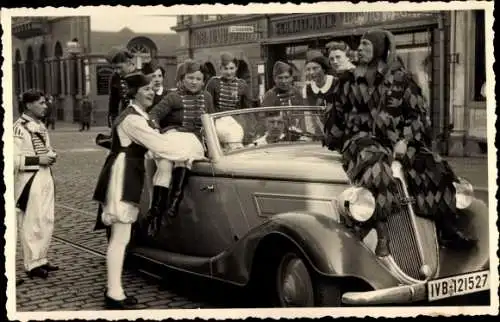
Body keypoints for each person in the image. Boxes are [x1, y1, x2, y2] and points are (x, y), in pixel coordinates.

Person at [323, 29, 476, 255]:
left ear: (381, 49)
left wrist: (404, 140)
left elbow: (418, 116)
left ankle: (445, 226)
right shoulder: (347, 81)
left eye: (366, 45)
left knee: (433, 165)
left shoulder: (402, 80)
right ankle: (382, 233)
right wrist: (340, 141)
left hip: (396, 140)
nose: (360, 49)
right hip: (361, 139)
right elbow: (334, 116)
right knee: (377, 169)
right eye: (361, 45)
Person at [92, 72, 193, 310]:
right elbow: (161, 146)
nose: (152, 93)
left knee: (121, 236)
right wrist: (191, 149)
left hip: (126, 172)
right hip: (123, 176)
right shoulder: (133, 120)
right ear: (135, 92)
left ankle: (114, 290)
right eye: (147, 89)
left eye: (152, 89)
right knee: (120, 237)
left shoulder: (137, 116)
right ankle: (114, 293)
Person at [147, 60, 214, 227]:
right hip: (174, 135)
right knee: (164, 165)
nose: (194, 82)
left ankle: (174, 202)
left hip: (194, 139)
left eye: (198, 79)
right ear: (182, 78)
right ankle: (156, 212)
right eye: (190, 78)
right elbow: (154, 114)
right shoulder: (173, 97)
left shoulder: (206, 97)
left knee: (183, 156)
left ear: (203, 81)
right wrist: (155, 129)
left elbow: (212, 121)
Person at [14, 89, 59, 280]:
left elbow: (43, 148)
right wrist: (38, 160)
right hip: (29, 178)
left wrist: (50, 154)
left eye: (44, 102)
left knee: (46, 218)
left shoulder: (40, 125)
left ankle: (41, 258)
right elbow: (12, 158)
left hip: (45, 175)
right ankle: (31, 263)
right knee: (32, 221)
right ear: (28, 105)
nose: (45, 106)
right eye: (40, 103)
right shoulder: (18, 128)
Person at [107, 47, 136, 127]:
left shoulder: (141, 74)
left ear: (129, 63)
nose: (117, 71)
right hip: (124, 118)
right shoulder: (115, 77)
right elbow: (113, 102)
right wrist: (113, 123)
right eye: (115, 68)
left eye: (119, 67)